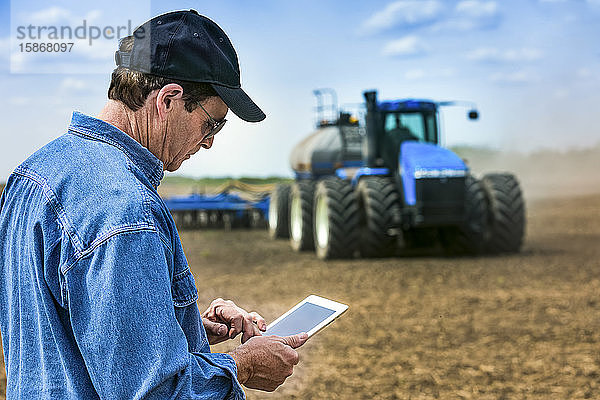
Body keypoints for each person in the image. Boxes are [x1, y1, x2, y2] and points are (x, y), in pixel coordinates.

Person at [0, 10, 307, 399]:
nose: (210, 141)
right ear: (169, 100)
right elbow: (156, 392)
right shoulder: (125, 210)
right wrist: (242, 364)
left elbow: (67, 330)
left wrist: (183, 326)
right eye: (212, 123)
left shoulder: (32, 175)